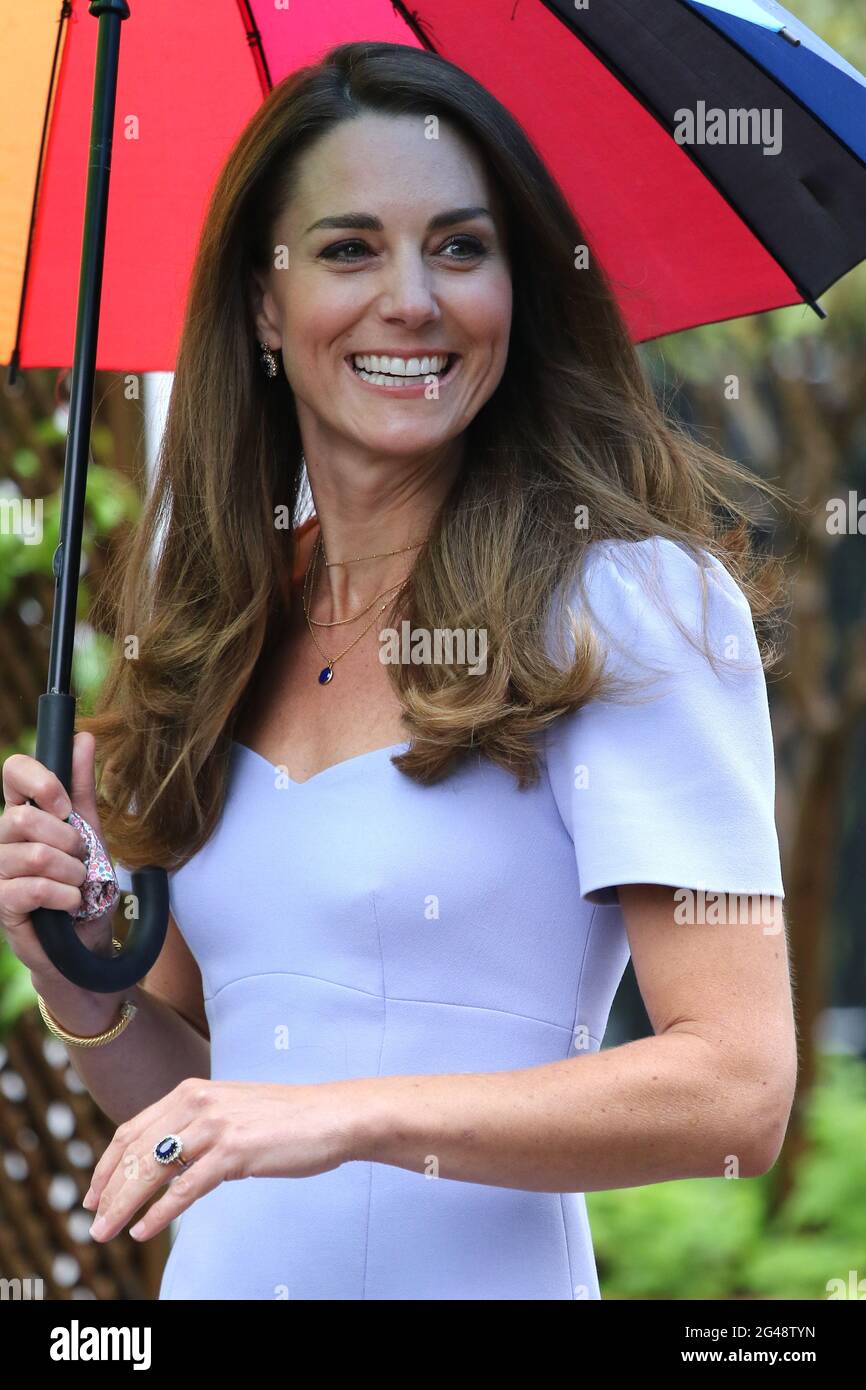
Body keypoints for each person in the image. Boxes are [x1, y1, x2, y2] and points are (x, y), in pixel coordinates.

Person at [0, 40, 797, 1301]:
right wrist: (76, 965)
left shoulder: (623, 603)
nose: (413, 299)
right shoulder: (213, 622)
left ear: (515, 287)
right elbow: (191, 1120)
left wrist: (346, 1114)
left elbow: (734, 1093)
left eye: (461, 247)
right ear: (264, 303)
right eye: (349, 248)